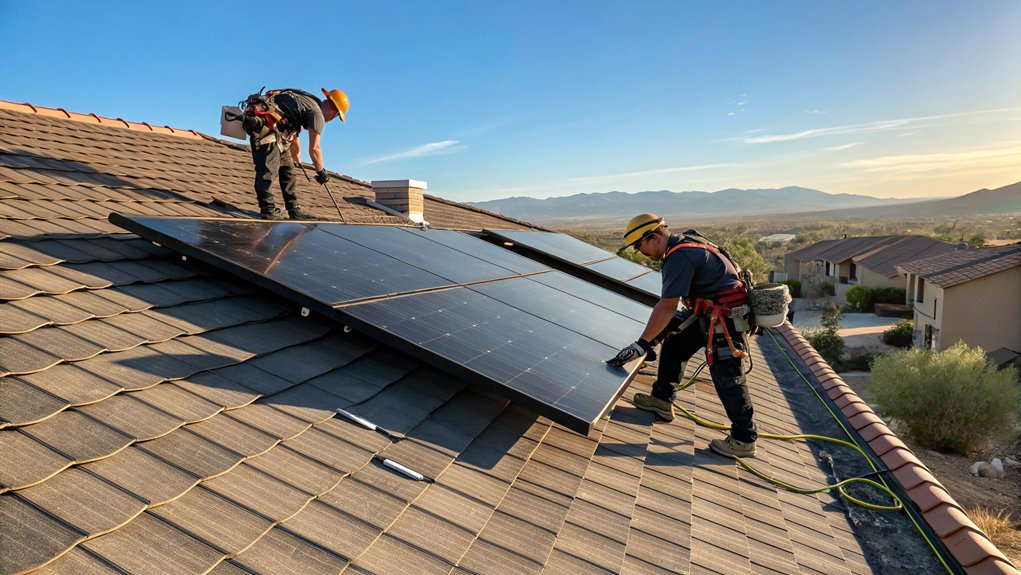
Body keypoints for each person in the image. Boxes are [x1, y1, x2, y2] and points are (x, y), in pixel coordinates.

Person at [607, 213, 758, 458]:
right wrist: (652, 339)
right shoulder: (687, 240)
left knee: (727, 376)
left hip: (725, 320)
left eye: (639, 245)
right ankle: (661, 399)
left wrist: (642, 344)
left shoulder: (679, 256)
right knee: (676, 342)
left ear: (654, 237)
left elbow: (667, 306)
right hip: (707, 313)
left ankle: (744, 439)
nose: (638, 251)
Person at [241, 88, 349, 219]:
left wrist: (296, 159)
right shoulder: (317, 114)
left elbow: (294, 131)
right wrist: (321, 172)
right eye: (337, 116)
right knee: (268, 171)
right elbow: (315, 149)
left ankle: (293, 210)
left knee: (288, 171)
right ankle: (267, 209)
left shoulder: (307, 102)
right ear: (334, 110)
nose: (332, 119)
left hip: (279, 135)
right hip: (267, 132)